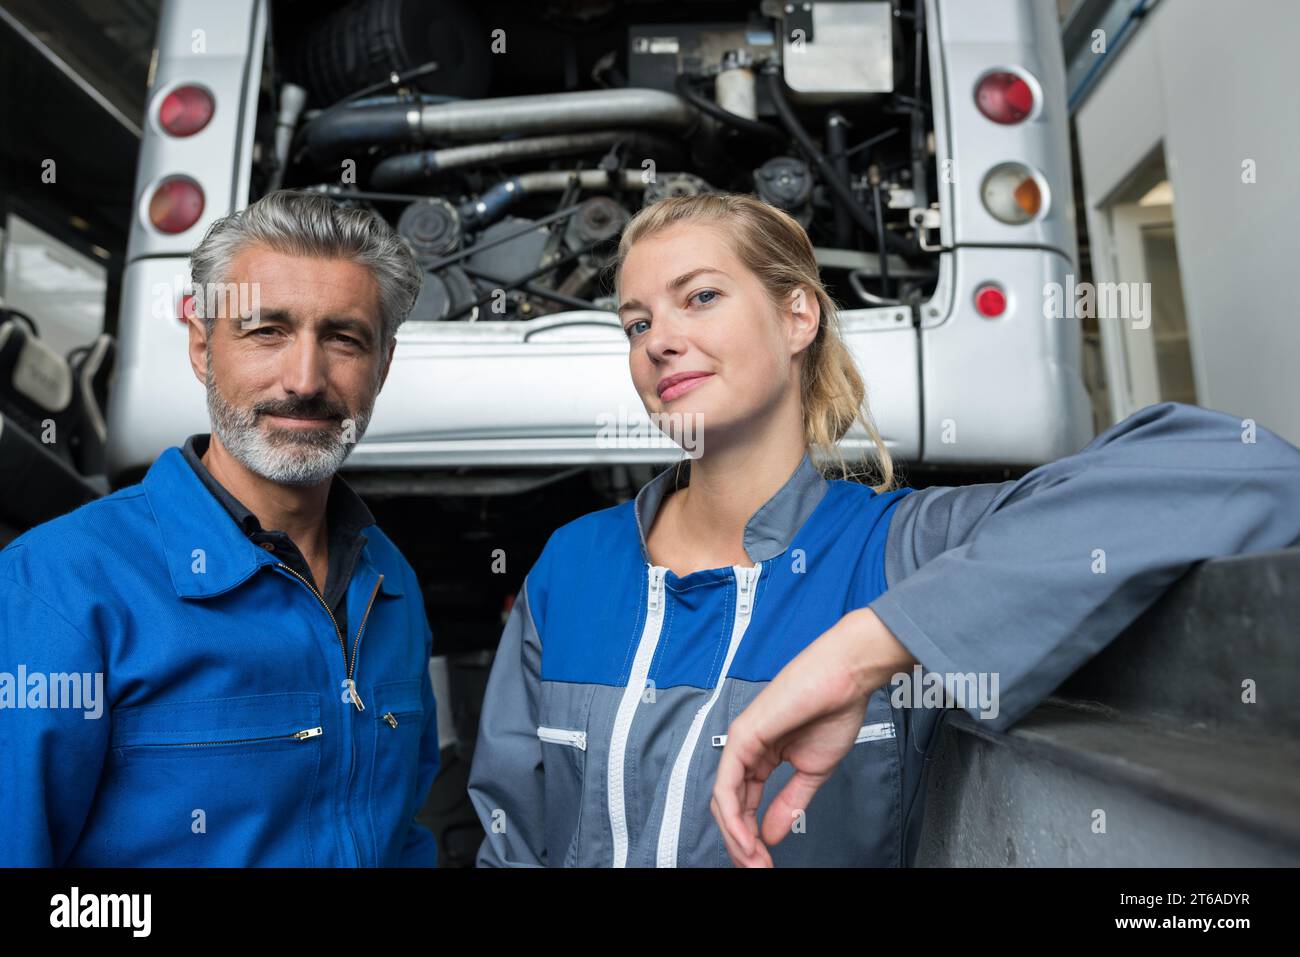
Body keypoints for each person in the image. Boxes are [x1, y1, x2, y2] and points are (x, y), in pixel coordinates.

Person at [467, 192, 1300, 867]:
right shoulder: (570, 566)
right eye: (637, 322)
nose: (660, 342)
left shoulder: (904, 552)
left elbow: (1249, 464)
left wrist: (868, 644)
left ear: (798, 318)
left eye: (702, 297)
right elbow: (509, 837)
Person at [0, 190, 441, 866]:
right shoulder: (58, 586)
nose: (305, 378)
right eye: (266, 330)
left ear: (383, 363)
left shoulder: (392, 583)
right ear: (204, 347)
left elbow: (401, 834)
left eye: (344, 337)